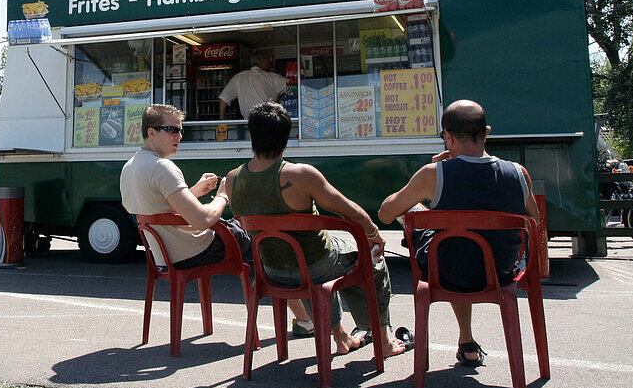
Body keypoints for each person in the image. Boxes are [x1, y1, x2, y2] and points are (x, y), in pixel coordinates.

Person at [226, 102, 409, 355]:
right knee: (371, 259)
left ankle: (342, 337)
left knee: (308, 257)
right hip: (315, 266)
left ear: (251, 136)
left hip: (272, 270)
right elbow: (351, 211)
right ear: (286, 137)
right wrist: (373, 235)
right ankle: (383, 341)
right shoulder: (300, 175)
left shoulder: (233, 179)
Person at [378, 99, 540, 368]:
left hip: (447, 272)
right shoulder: (519, 174)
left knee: (434, 229)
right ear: (486, 132)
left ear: (448, 137)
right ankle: (467, 341)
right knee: (464, 244)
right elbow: (534, 222)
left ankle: (466, 339)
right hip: (502, 273)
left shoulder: (434, 173)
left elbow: (385, 212)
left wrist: (427, 184)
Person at [120, 104, 251, 270]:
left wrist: (195, 191)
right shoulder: (162, 167)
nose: (179, 136)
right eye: (172, 130)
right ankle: (281, 287)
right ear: (151, 132)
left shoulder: (129, 167)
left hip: (164, 257)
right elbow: (203, 221)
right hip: (193, 252)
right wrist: (223, 195)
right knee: (257, 236)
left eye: (181, 131)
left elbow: (159, 207)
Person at [218, 51, 289, 120]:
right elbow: (293, 86)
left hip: (248, 122)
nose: (269, 65)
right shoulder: (273, 78)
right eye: (268, 62)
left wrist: (222, 120)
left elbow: (223, 98)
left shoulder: (239, 78)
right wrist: (280, 100)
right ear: (262, 63)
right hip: (269, 120)